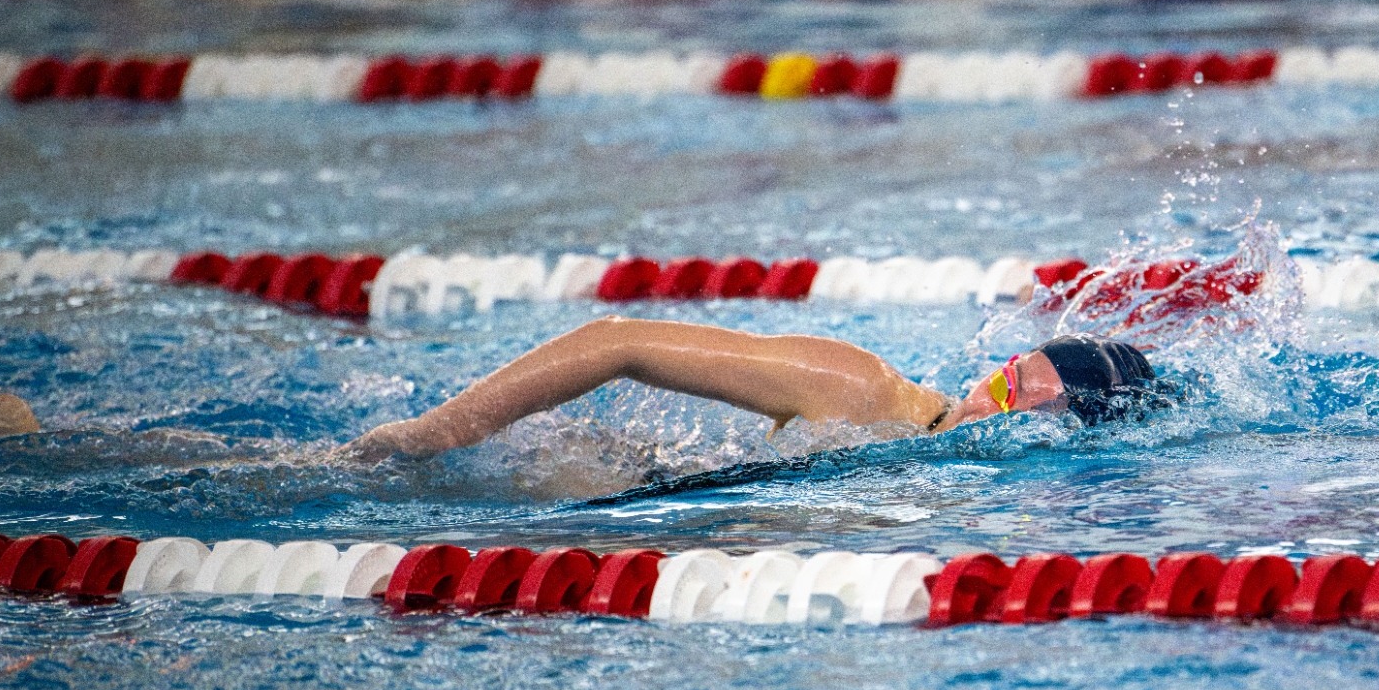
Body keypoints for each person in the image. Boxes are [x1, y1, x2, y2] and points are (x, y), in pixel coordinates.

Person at [350, 316, 1164, 461]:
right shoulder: (864, 389)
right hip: (596, 487)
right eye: (1005, 379)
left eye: (1019, 405)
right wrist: (438, 432)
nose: (990, 404)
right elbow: (616, 342)